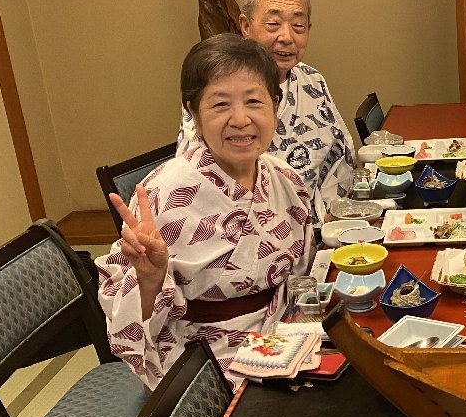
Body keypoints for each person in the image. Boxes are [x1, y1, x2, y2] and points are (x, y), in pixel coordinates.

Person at [101, 34, 315, 389]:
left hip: (283, 332)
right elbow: (125, 323)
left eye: (254, 101)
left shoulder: (286, 179)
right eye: (220, 105)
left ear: (275, 106)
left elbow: (304, 272)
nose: (241, 119)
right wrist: (150, 279)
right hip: (203, 357)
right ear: (194, 115)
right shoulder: (165, 195)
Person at [177, 0, 356, 215]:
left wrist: (335, 215)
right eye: (273, 24)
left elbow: (339, 158)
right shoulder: (217, 88)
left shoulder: (312, 80)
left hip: (324, 223)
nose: (286, 37)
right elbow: (196, 180)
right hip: (249, 226)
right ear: (245, 26)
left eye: (298, 25)